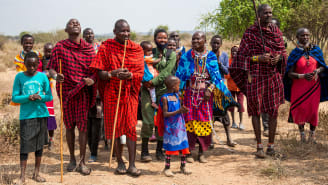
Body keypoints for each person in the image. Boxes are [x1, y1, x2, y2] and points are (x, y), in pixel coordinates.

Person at [229, 4, 287, 158]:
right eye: (266, 13)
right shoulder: (250, 33)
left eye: (270, 13)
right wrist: (258, 58)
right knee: (255, 111)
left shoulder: (276, 32)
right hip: (255, 77)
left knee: (273, 111)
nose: (269, 15)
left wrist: (278, 58)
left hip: (273, 77)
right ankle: (259, 146)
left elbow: (282, 51)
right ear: (259, 15)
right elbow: (241, 58)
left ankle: (271, 146)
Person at [90, 19, 144, 176]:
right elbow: (99, 72)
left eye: (128, 30)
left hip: (130, 94)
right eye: (122, 31)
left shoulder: (136, 49)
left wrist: (130, 75)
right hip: (111, 93)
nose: (126, 34)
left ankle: (132, 164)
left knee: (130, 128)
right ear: (114, 32)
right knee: (115, 129)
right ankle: (120, 162)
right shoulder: (106, 47)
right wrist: (111, 74)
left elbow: (140, 73)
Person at [176, 31, 237, 163]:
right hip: (189, 95)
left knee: (204, 123)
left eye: (198, 39)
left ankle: (202, 152)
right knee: (189, 124)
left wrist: (210, 89)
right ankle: (189, 152)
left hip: (205, 96)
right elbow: (180, 76)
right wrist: (180, 94)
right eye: (193, 39)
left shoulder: (210, 57)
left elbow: (217, 77)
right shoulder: (187, 56)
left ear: (204, 41)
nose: (195, 41)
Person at [48, 18, 97, 175]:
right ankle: (71, 158)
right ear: (66, 30)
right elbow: (51, 69)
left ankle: (82, 161)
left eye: (77, 23)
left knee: (82, 127)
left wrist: (92, 80)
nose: (75, 24)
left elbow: (95, 71)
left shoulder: (89, 49)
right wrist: (56, 76)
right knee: (69, 126)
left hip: (82, 91)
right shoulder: (60, 47)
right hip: (67, 91)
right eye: (71, 23)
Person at [12, 52, 53, 184]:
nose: (31, 68)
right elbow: (14, 97)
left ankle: (36, 174)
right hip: (26, 116)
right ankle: (22, 177)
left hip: (41, 114)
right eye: (29, 65)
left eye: (34, 65)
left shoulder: (42, 76)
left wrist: (40, 97)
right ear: (24, 65)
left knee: (39, 146)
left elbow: (50, 96)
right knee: (25, 146)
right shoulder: (19, 77)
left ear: (38, 64)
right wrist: (28, 97)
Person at [284, 28, 328, 143]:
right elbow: (289, 73)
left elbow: (323, 66)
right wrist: (302, 76)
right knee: (300, 109)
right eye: (302, 35)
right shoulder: (295, 53)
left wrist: (317, 71)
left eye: (307, 35)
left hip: (314, 86)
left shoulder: (316, 50)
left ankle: (312, 136)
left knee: (313, 111)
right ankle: (302, 135)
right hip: (299, 87)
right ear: (297, 37)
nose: (305, 37)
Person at [141, 29, 176, 162]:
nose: (162, 40)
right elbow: (141, 66)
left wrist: (153, 82)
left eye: (165, 38)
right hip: (146, 90)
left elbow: (167, 72)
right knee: (148, 120)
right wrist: (145, 82)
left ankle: (159, 150)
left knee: (162, 120)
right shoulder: (150, 52)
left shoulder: (171, 54)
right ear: (155, 39)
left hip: (163, 90)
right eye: (159, 38)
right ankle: (144, 151)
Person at [159, 76, 191, 177]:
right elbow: (165, 114)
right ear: (173, 86)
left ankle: (183, 166)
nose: (179, 86)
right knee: (169, 148)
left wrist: (183, 109)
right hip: (171, 127)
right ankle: (167, 168)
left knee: (183, 146)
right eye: (178, 85)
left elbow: (179, 107)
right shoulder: (165, 98)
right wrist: (179, 111)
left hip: (180, 125)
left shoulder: (177, 95)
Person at [210, 35, 237, 148]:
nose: (215, 45)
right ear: (211, 43)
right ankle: (210, 140)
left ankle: (229, 139)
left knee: (224, 113)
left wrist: (219, 64)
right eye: (214, 43)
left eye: (218, 43)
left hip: (220, 87)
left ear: (221, 44)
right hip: (210, 87)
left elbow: (226, 72)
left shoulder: (224, 55)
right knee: (209, 114)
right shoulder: (207, 55)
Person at [82, 28, 103, 162]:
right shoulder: (80, 50)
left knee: (97, 119)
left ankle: (94, 151)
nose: (89, 35)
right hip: (84, 88)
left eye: (91, 33)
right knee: (87, 123)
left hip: (99, 88)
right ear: (83, 36)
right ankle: (90, 150)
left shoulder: (100, 48)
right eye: (87, 34)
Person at [225, 45, 245, 130]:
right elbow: (226, 75)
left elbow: (244, 74)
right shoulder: (228, 62)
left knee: (240, 104)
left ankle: (241, 122)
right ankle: (233, 122)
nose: (234, 53)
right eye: (233, 51)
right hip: (231, 88)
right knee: (232, 105)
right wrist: (232, 74)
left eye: (236, 51)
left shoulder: (242, 62)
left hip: (240, 88)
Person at [42, 43, 57, 150]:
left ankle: (51, 139)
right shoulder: (40, 60)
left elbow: (54, 74)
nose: (49, 53)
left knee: (49, 115)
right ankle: (42, 140)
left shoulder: (56, 61)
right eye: (47, 51)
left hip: (48, 91)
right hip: (39, 90)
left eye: (51, 51)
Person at [141, 41, 161, 109]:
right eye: (148, 51)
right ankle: (153, 102)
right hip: (149, 76)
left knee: (152, 90)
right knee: (152, 90)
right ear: (142, 51)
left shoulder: (146, 57)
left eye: (151, 50)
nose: (151, 52)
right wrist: (161, 59)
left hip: (150, 75)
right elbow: (154, 61)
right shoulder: (145, 58)